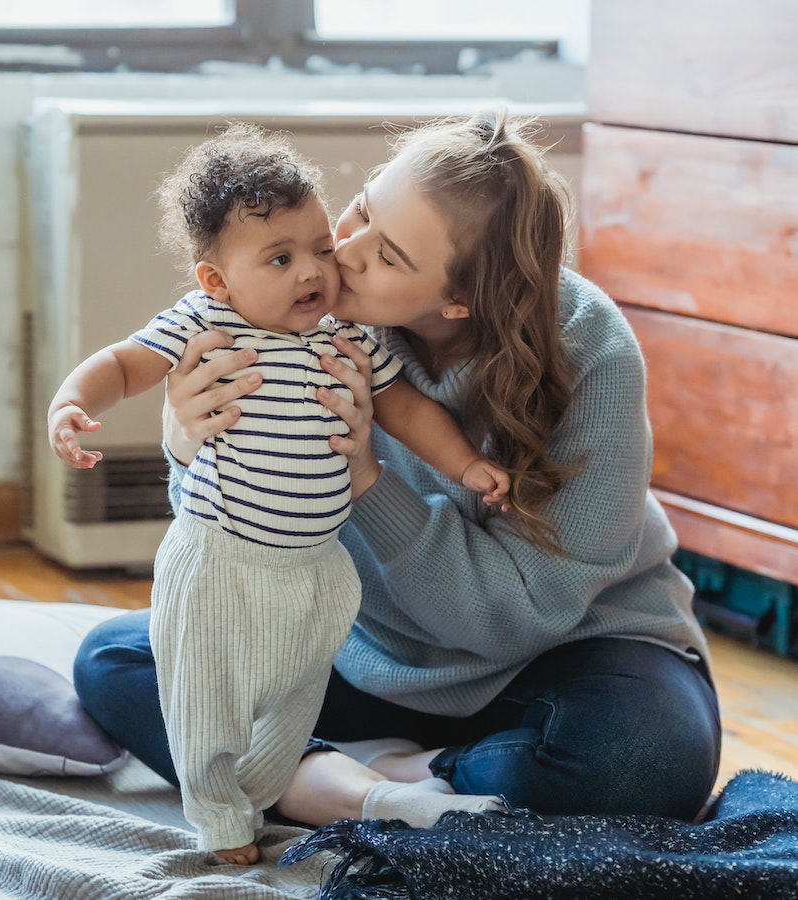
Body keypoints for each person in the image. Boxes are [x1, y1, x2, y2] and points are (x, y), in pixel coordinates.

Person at [73, 111, 721, 850]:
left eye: (384, 255)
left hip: (563, 655)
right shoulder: (288, 312)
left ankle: (350, 780)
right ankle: (375, 792)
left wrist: (367, 481)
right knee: (115, 658)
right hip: (357, 648)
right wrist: (186, 447)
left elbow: (514, 617)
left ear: (457, 301)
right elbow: (236, 537)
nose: (336, 255)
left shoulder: (592, 353)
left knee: (644, 765)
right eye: (360, 210)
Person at [48, 123, 509, 865]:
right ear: (216, 281)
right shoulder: (206, 322)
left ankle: (274, 782)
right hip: (221, 560)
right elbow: (124, 364)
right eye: (281, 258)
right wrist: (70, 402)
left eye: (321, 248)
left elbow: (408, 411)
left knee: (292, 697)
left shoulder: (345, 338)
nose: (313, 272)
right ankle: (220, 815)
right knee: (205, 697)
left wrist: (465, 466)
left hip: (317, 569)